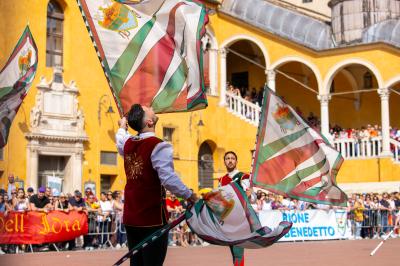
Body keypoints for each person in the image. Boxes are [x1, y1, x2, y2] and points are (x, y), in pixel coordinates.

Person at [116, 104, 197, 266]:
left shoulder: (128, 143)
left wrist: (122, 127)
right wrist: (189, 195)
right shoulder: (159, 146)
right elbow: (168, 179)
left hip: (131, 217)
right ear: (149, 122)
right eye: (149, 109)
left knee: (137, 263)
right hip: (151, 218)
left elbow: (120, 139)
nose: (152, 108)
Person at [218, 151, 252, 266]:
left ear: (236, 161)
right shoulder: (221, 180)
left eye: (232, 158)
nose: (230, 160)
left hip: (240, 218)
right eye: (227, 158)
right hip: (228, 219)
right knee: (233, 250)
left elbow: (251, 196)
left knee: (238, 250)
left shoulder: (243, 176)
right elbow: (220, 200)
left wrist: (249, 194)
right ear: (224, 162)